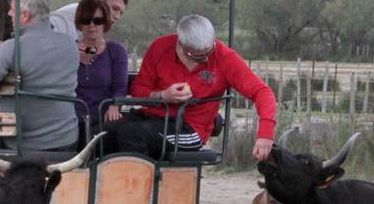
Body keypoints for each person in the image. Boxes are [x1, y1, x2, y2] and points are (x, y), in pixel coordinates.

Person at [104, 14, 276, 160]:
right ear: (180, 44)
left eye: (209, 52)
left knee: (133, 134)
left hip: (190, 127)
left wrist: (265, 134)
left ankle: (134, 194)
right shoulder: (160, 47)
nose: (206, 59)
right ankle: (105, 189)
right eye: (197, 57)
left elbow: (262, 92)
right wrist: (162, 96)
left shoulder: (225, 58)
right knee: (100, 133)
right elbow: (138, 89)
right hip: (150, 117)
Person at [0, 0, 79, 152]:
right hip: (67, 140)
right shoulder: (70, 44)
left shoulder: (11, 48)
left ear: (24, 15)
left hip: (23, 145)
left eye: (12, 10)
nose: (9, 14)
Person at [70, 0, 128, 145]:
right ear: (79, 23)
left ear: (105, 23)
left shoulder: (116, 51)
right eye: (86, 20)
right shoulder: (67, 49)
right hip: (72, 117)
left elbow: (120, 87)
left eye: (98, 21)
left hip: (103, 117)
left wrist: (115, 105)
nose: (92, 25)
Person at [48, 0, 129, 38]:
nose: (117, 17)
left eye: (121, 13)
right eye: (115, 8)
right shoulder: (67, 18)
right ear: (99, 1)